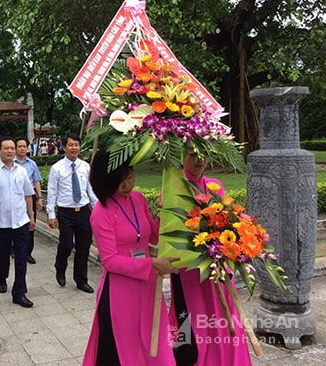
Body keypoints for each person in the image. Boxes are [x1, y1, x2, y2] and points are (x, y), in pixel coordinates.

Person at [83, 149, 179, 365]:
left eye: (130, 177)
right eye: (120, 181)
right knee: (126, 349)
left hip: (148, 285)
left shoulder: (138, 198)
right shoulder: (101, 211)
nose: (127, 185)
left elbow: (151, 234)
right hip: (121, 290)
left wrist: (165, 216)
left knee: (156, 343)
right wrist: (153, 264)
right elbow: (109, 260)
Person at [168, 149, 252, 365]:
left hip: (218, 266)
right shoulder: (171, 186)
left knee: (223, 318)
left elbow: (225, 220)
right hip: (189, 271)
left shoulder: (214, 184)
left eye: (203, 154)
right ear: (181, 156)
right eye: (191, 154)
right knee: (191, 324)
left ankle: (225, 358)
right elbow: (166, 232)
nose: (198, 160)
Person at [0, 136, 36, 308]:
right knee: (2, 256)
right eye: (7, 148)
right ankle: (1, 277)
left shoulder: (21, 171)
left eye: (13, 148)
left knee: (21, 257)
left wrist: (31, 216)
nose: (11, 151)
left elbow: (28, 195)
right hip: (1, 223)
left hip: (21, 222)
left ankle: (19, 292)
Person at [46, 133, 98, 293]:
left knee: (84, 247)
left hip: (83, 211)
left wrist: (97, 208)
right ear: (64, 147)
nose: (74, 148)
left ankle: (81, 280)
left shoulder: (85, 166)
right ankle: (60, 266)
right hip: (65, 212)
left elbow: (90, 189)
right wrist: (51, 214)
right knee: (67, 244)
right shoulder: (57, 168)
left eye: (76, 145)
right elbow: (52, 191)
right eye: (71, 145)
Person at [14, 137, 43, 264]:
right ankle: (14, 249)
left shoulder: (32, 164)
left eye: (24, 146)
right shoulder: (11, 163)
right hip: (16, 196)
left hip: (30, 196)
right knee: (16, 225)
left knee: (31, 225)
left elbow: (36, 181)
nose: (22, 149)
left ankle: (28, 253)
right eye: (19, 146)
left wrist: (40, 197)